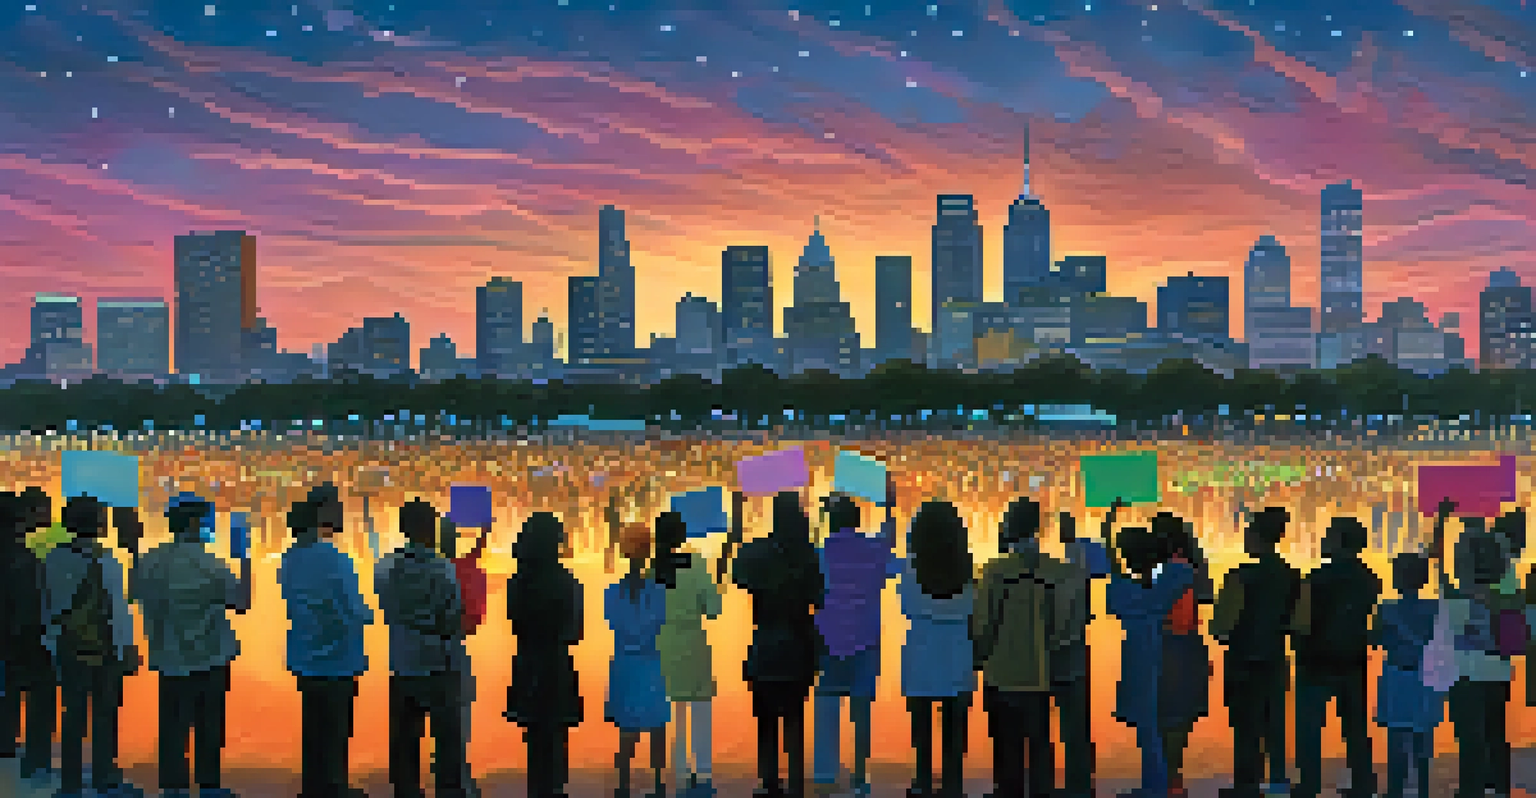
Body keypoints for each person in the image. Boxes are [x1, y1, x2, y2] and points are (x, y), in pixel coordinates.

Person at [129, 494, 252, 798]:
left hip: (169, 657)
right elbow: (241, 602)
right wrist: (244, 558)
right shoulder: (211, 564)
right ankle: (208, 786)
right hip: (209, 657)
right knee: (209, 726)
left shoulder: (151, 560)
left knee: (172, 725)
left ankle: (173, 786)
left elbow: (135, 594)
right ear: (197, 523)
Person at [976, 496, 1078, 798]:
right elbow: (1064, 625)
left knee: (1006, 750)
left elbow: (983, 624)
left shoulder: (994, 571)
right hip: (1039, 672)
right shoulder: (1057, 571)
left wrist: (978, 658)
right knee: (1039, 747)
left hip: (1000, 673)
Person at [278, 485, 374, 798]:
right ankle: (335, 787)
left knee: (313, 729)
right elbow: (354, 609)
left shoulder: (289, 560)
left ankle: (314, 786)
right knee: (336, 730)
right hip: (339, 659)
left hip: (305, 657)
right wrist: (371, 614)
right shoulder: (335, 559)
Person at [44, 494, 143, 798]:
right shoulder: (105, 561)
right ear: (99, 525)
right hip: (105, 649)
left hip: (68, 646)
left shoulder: (54, 558)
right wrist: (127, 647)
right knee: (104, 715)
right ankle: (103, 777)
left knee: (73, 716)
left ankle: (70, 783)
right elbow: (119, 609)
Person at [728, 490, 825, 798]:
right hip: (798, 647)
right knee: (795, 723)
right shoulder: (807, 555)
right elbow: (820, 599)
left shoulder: (758, 553)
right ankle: (796, 785)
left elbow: (737, 574)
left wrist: (737, 522)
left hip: (765, 646)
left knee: (766, 723)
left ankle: (770, 784)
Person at [376, 499, 468, 798]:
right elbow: (453, 617)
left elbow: (385, 606)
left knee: (404, 744)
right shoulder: (443, 569)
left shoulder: (386, 567)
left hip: (402, 662)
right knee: (447, 745)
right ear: (431, 529)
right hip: (438, 664)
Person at [813, 486, 898, 798]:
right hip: (865, 639)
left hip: (829, 638)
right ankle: (860, 777)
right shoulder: (873, 551)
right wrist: (890, 505)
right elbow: (890, 542)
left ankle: (825, 772)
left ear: (831, 523)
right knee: (861, 712)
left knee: (828, 707)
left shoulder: (820, 554)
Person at [1104, 503, 1194, 798]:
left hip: (1138, 658)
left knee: (1147, 726)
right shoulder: (1173, 580)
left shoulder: (1125, 592)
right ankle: (1162, 782)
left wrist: (1108, 528)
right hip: (1169, 656)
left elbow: (1114, 567)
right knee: (1162, 723)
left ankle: (1154, 785)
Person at [1212, 507, 1302, 798]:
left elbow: (1221, 628)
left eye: (1248, 533)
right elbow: (1297, 623)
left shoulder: (1239, 576)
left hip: (1242, 663)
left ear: (1256, 536)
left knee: (1246, 730)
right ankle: (1277, 784)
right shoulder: (1292, 576)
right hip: (1275, 660)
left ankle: (1247, 786)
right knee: (1275, 727)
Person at [1291, 517, 1381, 798]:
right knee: (1356, 728)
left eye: (1329, 536)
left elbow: (1301, 623)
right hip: (1353, 659)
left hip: (1315, 661)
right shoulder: (1369, 580)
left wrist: (1297, 645)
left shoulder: (1315, 579)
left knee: (1309, 728)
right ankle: (1363, 784)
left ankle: (1309, 784)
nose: (1324, 540)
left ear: (1341, 542)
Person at [1433, 500, 1516, 798]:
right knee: (1496, 730)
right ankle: (1500, 785)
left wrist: (1441, 522)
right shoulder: (1506, 598)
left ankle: (1472, 788)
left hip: (1466, 671)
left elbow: (1437, 561)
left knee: (1470, 733)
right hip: (1498, 667)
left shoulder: (1456, 597)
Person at [505, 512, 585, 798]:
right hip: (556, 665)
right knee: (554, 737)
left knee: (535, 739)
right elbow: (576, 633)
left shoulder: (516, 582)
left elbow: (514, 624)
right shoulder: (568, 582)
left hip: (527, 663)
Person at [902, 500, 975, 798]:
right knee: (955, 729)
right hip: (958, 650)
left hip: (921, 651)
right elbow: (973, 609)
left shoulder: (911, 567)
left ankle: (921, 781)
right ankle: (953, 784)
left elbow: (907, 606)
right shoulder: (967, 568)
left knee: (921, 727)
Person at [653, 509, 723, 798]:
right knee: (700, 708)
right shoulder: (696, 565)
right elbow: (714, 609)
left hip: (663, 643)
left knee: (674, 712)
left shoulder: (650, 570)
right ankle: (703, 771)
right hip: (693, 643)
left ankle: (679, 769)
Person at [1369, 552, 1443, 798]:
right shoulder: (1435, 608)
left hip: (1397, 676)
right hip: (1426, 678)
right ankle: (1423, 789)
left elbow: (1376, 640)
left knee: (1397, 738)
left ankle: (1395, 790)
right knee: (1423, 738)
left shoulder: (1387, 608)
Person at [1150, 513, 1212, 798]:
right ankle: (1172, 775)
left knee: (1166, 717)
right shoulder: (1194, 567)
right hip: (1189, 646)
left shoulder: (1162, 570)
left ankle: (1168, 777)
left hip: (1167, 645)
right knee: (1181, 717)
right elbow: (1205, 597)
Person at [607, 521, 670, 798]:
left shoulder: (613, 593)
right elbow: (658, 625)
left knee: (626, 728)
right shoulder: (658, 592)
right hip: (648, 661)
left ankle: (624, 785)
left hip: (625, 663)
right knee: (655, 726)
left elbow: (616, 625)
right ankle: (658, 784)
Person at [0, 491, 57, 783]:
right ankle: (34, 760)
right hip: (22, 642)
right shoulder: (21, 558)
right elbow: (27, 607)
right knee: (40, 693)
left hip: (10, 642)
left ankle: (7, 746)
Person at [1055, 510, 1107, 798]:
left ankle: (1074, 780)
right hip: (1074, 645)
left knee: (1069, 718)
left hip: (1065, 646)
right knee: (1076, 718)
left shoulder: (1074, 558)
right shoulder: (1080, 556)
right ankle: (1080, 780)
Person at [442, 516, 489, 798]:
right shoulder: (464, 569)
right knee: (458, 718)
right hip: (453, 650)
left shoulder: (409, 568)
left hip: (413, 654)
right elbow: (472, 623)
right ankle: (458, 778)